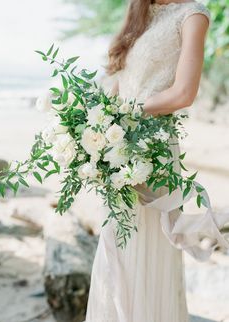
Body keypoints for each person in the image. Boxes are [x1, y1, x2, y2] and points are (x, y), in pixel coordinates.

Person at [84, 1, 213, 321]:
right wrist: (91, 124)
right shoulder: (140, 12)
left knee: (147, 251)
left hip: (151, 150)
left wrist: (128, 112)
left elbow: (184, 93)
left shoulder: (192, 15)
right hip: (117, 148)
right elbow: (116, 84)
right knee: (118, 252)